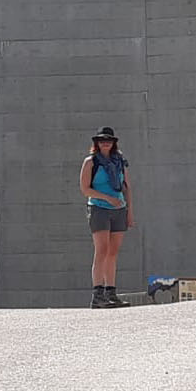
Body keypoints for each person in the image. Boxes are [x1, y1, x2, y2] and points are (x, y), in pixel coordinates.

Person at [79, 127, 133, 308]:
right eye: (102, 140)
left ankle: (111, 292)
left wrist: (129, 212)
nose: (105, 143)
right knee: (101, 250)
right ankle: (97, 294)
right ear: (97, 143)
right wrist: (107, 198)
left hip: (119, 209)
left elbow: (127, 187)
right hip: (99, 208)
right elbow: (85, 189)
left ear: (114, 143)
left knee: (113, 252)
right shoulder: (91, 162)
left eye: (108, 140)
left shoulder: (119, 161)